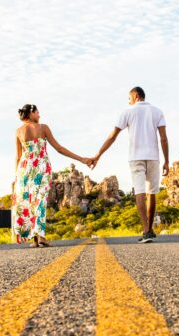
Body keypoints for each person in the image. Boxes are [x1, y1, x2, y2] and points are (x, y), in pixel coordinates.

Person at [92, 87, 169, 243]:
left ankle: (146, 230)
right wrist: (167, 160)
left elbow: (112, 137)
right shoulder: (157, 111)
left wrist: (98, 155)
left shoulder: (127, 112)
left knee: (139, 191)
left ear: (135, 96)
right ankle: (150, 230)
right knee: (151, 193)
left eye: (129, 98)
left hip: (135, 157)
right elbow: (163, 139)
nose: (128, 101)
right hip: (153, 157)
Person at [12, 104, 93, 247]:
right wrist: (81, 159)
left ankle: (35, 239)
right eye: (37, 112)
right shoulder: (43, 128)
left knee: (28, 202)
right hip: (41, 167)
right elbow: (59, 148)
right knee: (40, 201)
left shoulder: (18, 131)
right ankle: (41, 237)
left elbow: (18, 157)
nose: (39, 115)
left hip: (24, 169)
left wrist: (15, 177)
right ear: (31, 113)